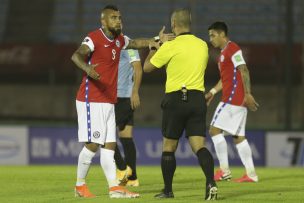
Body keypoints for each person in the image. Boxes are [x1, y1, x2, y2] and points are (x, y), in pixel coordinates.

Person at [71, 4, 173, 199]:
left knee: (109, 146)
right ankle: (80, 185)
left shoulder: (119, 40)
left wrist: (157, 39)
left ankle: (114, 188)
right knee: (93, 145)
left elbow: (136, 43)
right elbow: (76, 55)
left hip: (109, 100)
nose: (118, 20)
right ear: (103, 21)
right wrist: (88, 69)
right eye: (113, 17)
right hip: (91, 98)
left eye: (119, 17)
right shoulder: (94, 38)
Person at [143, 8, 217, 200]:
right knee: (199, 146)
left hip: (176, 98)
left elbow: (147, 67)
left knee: (168, 147)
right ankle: (211, 183)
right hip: (197, 98)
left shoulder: (170, 46)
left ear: (174, 24)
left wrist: (156, 45)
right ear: (189, 23)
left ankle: (168, 190)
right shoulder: (202, 45)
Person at [206, 21, 259, 183]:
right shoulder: (223, 55)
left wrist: (248, 93)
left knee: (214, 131)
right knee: (238, 137)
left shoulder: (232, 48)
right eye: (210, 36)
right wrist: (212, 92)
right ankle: (251, 174)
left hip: (233, 99)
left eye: (213, 35)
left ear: (222, 35)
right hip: (234, 99)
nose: (211, 39)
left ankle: (224, 170)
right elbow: (225, 79)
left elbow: (243, 69)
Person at [114, 44, 142, 187]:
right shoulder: (111, 46)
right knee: (126, 137)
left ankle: (122, 168)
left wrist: (135, 92)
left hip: (122, 97)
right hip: (116, 97)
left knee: (104, 136)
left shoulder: (129, 46)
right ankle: (132, 178)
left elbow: (137, 67)